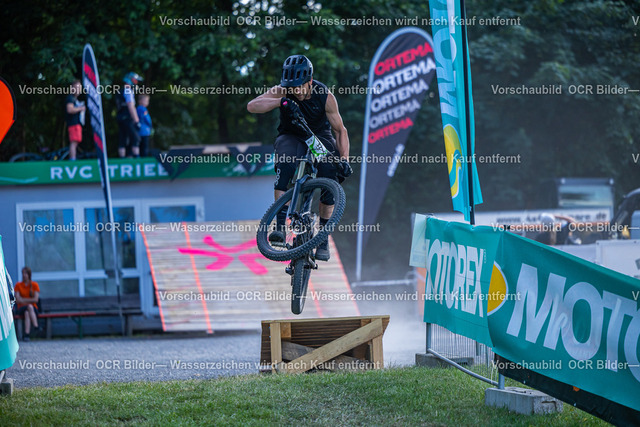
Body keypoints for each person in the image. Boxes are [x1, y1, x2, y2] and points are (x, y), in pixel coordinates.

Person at [247, 54, 352, 261]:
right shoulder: (283, 90)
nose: (295, 91)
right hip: (292, 135)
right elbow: (252, 106)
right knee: (285, 164)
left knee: (329, 174)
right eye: (291, 87)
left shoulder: (325, 95)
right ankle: (279, 227)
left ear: (309, 81)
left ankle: (323, 238)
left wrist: (345, 159)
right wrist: (280, 102)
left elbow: (340, 130)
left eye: (299, 87)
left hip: (318, 137)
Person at [116, 72, 143, 158]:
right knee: (136, 138)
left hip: (120, 118)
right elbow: (131, 106)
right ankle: (136, 158)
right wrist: (136, 121)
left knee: (122, 139)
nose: (136, 83)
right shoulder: (128, 90)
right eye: (135, 81)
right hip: (128, 118)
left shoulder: (120, 91)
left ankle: (123, 160)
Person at [13, 266, 40, 341]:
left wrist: (23, 300)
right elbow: (17, 300)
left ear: (29, 275)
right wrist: (30, 301)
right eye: (23, 273)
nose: (24, 275)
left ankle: (26, 335)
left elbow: (36, 299)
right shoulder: (18, 285)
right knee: (29, 307)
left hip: (33, 309)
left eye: (26, 273)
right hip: (21, 308)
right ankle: (36, 326)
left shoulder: (34, 285)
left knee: (27, 312)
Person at [65, 80, 85, 160]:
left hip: (77, 124)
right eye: (77, 88)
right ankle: (72, 159)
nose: (78, 90)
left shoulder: (75, 99)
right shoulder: (70, 98)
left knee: (76, 142)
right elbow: (69, 109)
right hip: (73, 124)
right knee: (73, 142)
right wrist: (80, 108)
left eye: (79, 88)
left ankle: (73, 158)